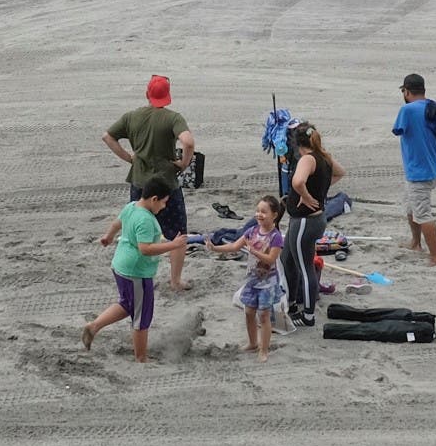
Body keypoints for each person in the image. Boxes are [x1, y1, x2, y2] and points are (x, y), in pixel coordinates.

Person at [102, 77, 196, 292]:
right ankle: (175, 281)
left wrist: (129, 158)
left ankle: (133, 271)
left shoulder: (131, 117)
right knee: (177, 232)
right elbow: (188, 142)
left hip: (139, 181)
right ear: (168, 95)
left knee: (135, 227)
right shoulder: (173, 118)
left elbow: (107, 136)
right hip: (166, 184)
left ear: (147, 94)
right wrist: (184, 162)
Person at [85, 178, 188, 362]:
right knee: (142, 317)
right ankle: (141, 358)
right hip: (136, 273)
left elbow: (117, 223)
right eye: (164, 202)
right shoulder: (146, 220)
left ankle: (94, 327)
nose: (164, 207)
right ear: (154, 199)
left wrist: (108, 237)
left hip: (120, 266)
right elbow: (145, 248)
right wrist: (173, 245)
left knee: (127, 304)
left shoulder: (131, 206)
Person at [207, 195, 286, 359]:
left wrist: (254, 251)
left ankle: (264, 350)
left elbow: (271, 259)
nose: (259, 214)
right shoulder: (252, 231)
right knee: (249, 312)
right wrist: (215, 248)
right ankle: (252, 343)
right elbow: (235, 246)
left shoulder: (276, 236)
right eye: (257, 211)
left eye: (263, 212)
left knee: (264, 316)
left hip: (268, 283)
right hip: (252, 281)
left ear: (274, 215)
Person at [281, 121, 342, 328]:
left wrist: (306, 195)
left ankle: (307, 315)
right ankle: (290, 304)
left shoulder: (307, 159)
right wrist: (319, 189)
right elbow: (340, 172)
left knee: (304, 267)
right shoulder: (324, 156)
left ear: (296, 143)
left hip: (306, 221)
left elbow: (298, 182)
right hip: (311, 219)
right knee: (287, 259)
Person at [393, 74, 436, 266]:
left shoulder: (407, 110)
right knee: (411, 206)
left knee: (423, 213)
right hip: (432, 167)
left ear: (406, 91)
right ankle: (415, 243)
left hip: (419, 171)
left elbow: (398, 130)